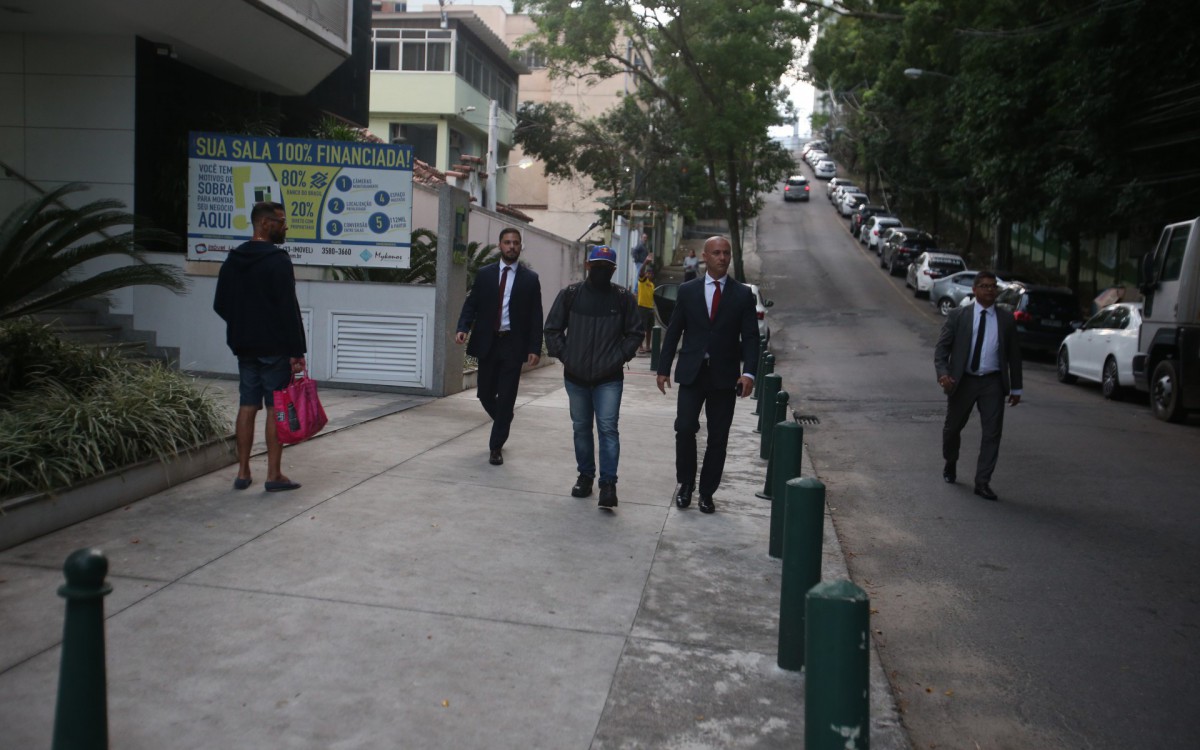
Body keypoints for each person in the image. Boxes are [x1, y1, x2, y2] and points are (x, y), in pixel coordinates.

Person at [656, 236, 759, 514]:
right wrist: (663, 368)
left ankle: (706, 492)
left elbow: (750, 337)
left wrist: (749, 372)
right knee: (685, 428)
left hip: (725, 378)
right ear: (705, 256)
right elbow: (674, 330)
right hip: (692, 373)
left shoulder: (742, 295)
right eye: (716, 253)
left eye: (726, 253)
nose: (723, 257)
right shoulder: (688, 290)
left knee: (718, 437)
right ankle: (686, 484)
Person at [213, 201, 307, 493]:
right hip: (274, 348)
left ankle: (242, 473)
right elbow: (288, 309)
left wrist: (242, 326)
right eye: (281, 221)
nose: (285, 226)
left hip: (244, 347)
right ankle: (273, 475)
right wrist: (297, 351)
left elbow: (220, 304)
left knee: (247, 405)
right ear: (265, 224)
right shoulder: (278, 260)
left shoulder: (234, 259)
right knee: (274, 408)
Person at [544, 245, 644, 509]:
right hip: (575, 377)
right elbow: (552, 328)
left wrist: (619, 357)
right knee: (581, 428)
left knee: (608, 429)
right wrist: (566, 356)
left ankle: (608, 485)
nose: (601, 271)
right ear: (588, 266)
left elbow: (636, 332)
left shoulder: (623, 298)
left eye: (606, 267)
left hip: (609, 378)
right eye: (596, 265)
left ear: (613, 270)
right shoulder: (571, 295)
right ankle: (585, 476)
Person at [455, 227, 543, 466]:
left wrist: (535, 347)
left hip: (513, 345)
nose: (511, 246)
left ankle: (496, 447)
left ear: (520, 246)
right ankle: (504, 419)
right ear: (499, 245)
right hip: (488, 342)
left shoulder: (530, 279)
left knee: (506, 397)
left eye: (515, 242)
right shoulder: (484, 274)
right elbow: (471, 304)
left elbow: (536, 315)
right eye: (507, 242)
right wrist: (462, 327)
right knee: (484, 393)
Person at [934, 270, 1023, 501]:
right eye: (984, 286)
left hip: (992, 382)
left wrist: (1016, 387)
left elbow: (1014, 355)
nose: (989, 290)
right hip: (963, 381)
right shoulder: (958, 315)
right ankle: (950, 462)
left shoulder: (1005, 319)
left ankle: (982, 482)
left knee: (992, 434)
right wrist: (943, 374)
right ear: (974, 290)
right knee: (952, 429)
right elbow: (942, 350)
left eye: (993, 286)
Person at [636, 254, 656, 354]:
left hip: (650, 308)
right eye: (647, 272)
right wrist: (645, 262)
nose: (648, 274)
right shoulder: (643, 281)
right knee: (641, 329)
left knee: (649, 329)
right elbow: (641, 272)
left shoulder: (652, 285)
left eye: (650, 273)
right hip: (642, 307)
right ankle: (640, 347)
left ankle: (648, 346)